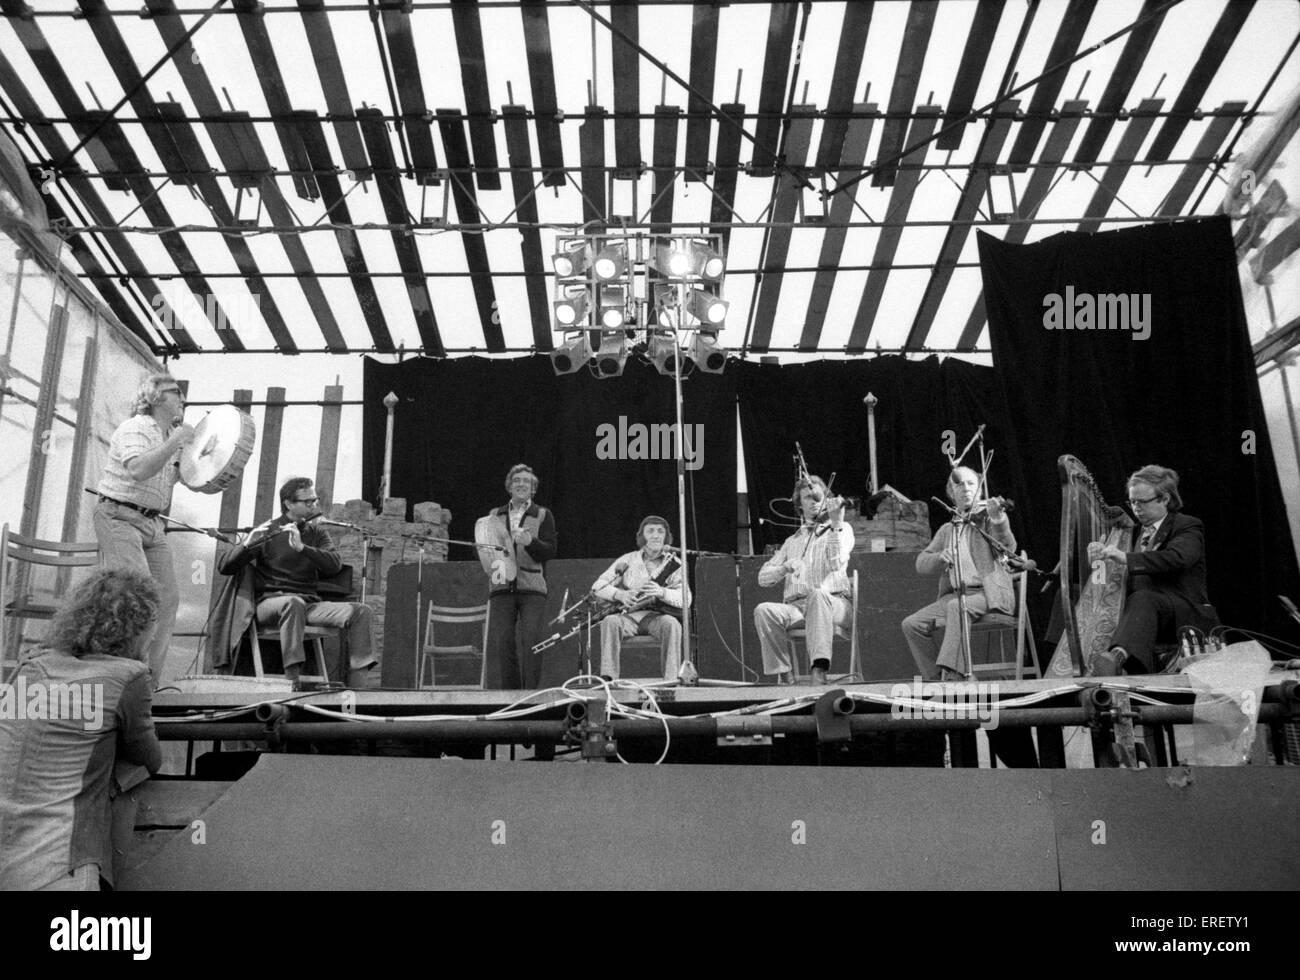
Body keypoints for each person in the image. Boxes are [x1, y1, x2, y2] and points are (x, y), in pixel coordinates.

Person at [0, 568, 162, 891]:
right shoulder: (129, 676)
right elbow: (151, 759)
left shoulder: (31, 666)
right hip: (58, 869)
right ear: (139, 630)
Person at [217, 477, 376, 689]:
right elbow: (225, 567)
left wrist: (303, 548)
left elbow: (334, 565)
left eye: (315, 500)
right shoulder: (269, 531)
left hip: (308, 604)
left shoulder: (316, 532)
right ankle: (293, 681)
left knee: (361, 611)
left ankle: (359, 687)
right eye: (307, 501)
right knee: (292, 603)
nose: (314, 505)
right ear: (288, 504)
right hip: (270, 604)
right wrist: (248, 542)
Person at [92, 373, 194, 687]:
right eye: (174, 391)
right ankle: (123, 679)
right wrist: (176, 441)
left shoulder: (168, 435)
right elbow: (138, 470)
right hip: (120, 515)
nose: (181, 396)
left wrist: (209, 462)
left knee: (167, 600)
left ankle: (147, 686)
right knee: (137, 599)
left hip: (151, 522)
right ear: (153, 397)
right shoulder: (135, 428)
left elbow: (182, 477)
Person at [1088, 465, 1219, 675]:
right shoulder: (1131, 534)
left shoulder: (1187, 525)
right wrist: (1097, 562)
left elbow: (1177, 559)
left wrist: (1124, 557)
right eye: (1132, 502)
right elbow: (1110, 582)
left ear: (1164, 499)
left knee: (1143, 598)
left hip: (1180, 611)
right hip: (1143, 611)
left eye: (1142, 502)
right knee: (1065, 596)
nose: (1136, 508)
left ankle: (1118, 657)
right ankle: (1066, 668)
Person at [902, 467, 1016, 680]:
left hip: (988, 592)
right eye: (959, 484)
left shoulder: (987, 520)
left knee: (958, 606)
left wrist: (999, 520)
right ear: (951, 494)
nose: (965, 488)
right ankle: (934, 679)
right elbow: (921, 563)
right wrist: (939, 557)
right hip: (955, 595)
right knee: (911, 624)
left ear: (980, 490)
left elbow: (1008, 547)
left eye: (971, 483)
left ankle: (957, 675)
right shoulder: (948, 529)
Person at [754, 476, 855, 685]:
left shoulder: (842, 529)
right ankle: (785, 674)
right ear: (799, 505)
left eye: (818, 495)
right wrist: (783, 568)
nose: (815, 500)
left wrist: (835, 524)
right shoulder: (792, 541)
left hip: (835, 604)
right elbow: (762, 578)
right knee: (764, 610)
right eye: (808, 497)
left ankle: (819, 669)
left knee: (818, 594)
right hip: (798, 608)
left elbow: (836, 564)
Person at [482, 464, 557, 689]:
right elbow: (484, 549)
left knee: (532, 642)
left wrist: (530, 542)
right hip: (501, 587)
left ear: (533, 488)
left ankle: (530, 693)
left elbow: (550, 550)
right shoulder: (494, 515)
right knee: (504, 643)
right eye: (517, 480)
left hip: (532, 587)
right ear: (509, 486)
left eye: (526, 481)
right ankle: (509, 695)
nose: (521, 484)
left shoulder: (543, 514)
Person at [592, 515, 685, 681]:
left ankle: (671, 680)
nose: (656, 535)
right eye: (650, 531)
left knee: (672, 624)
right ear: (642, 536)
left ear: (666, 537)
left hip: (656, 617)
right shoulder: (628, 559)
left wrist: (662, 592)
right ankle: (608, 679)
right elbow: (597, 586)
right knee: (610, 621)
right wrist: (620, 594)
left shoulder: (675, 563)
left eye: (660, 531)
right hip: (628, 617)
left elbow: (686, 598)